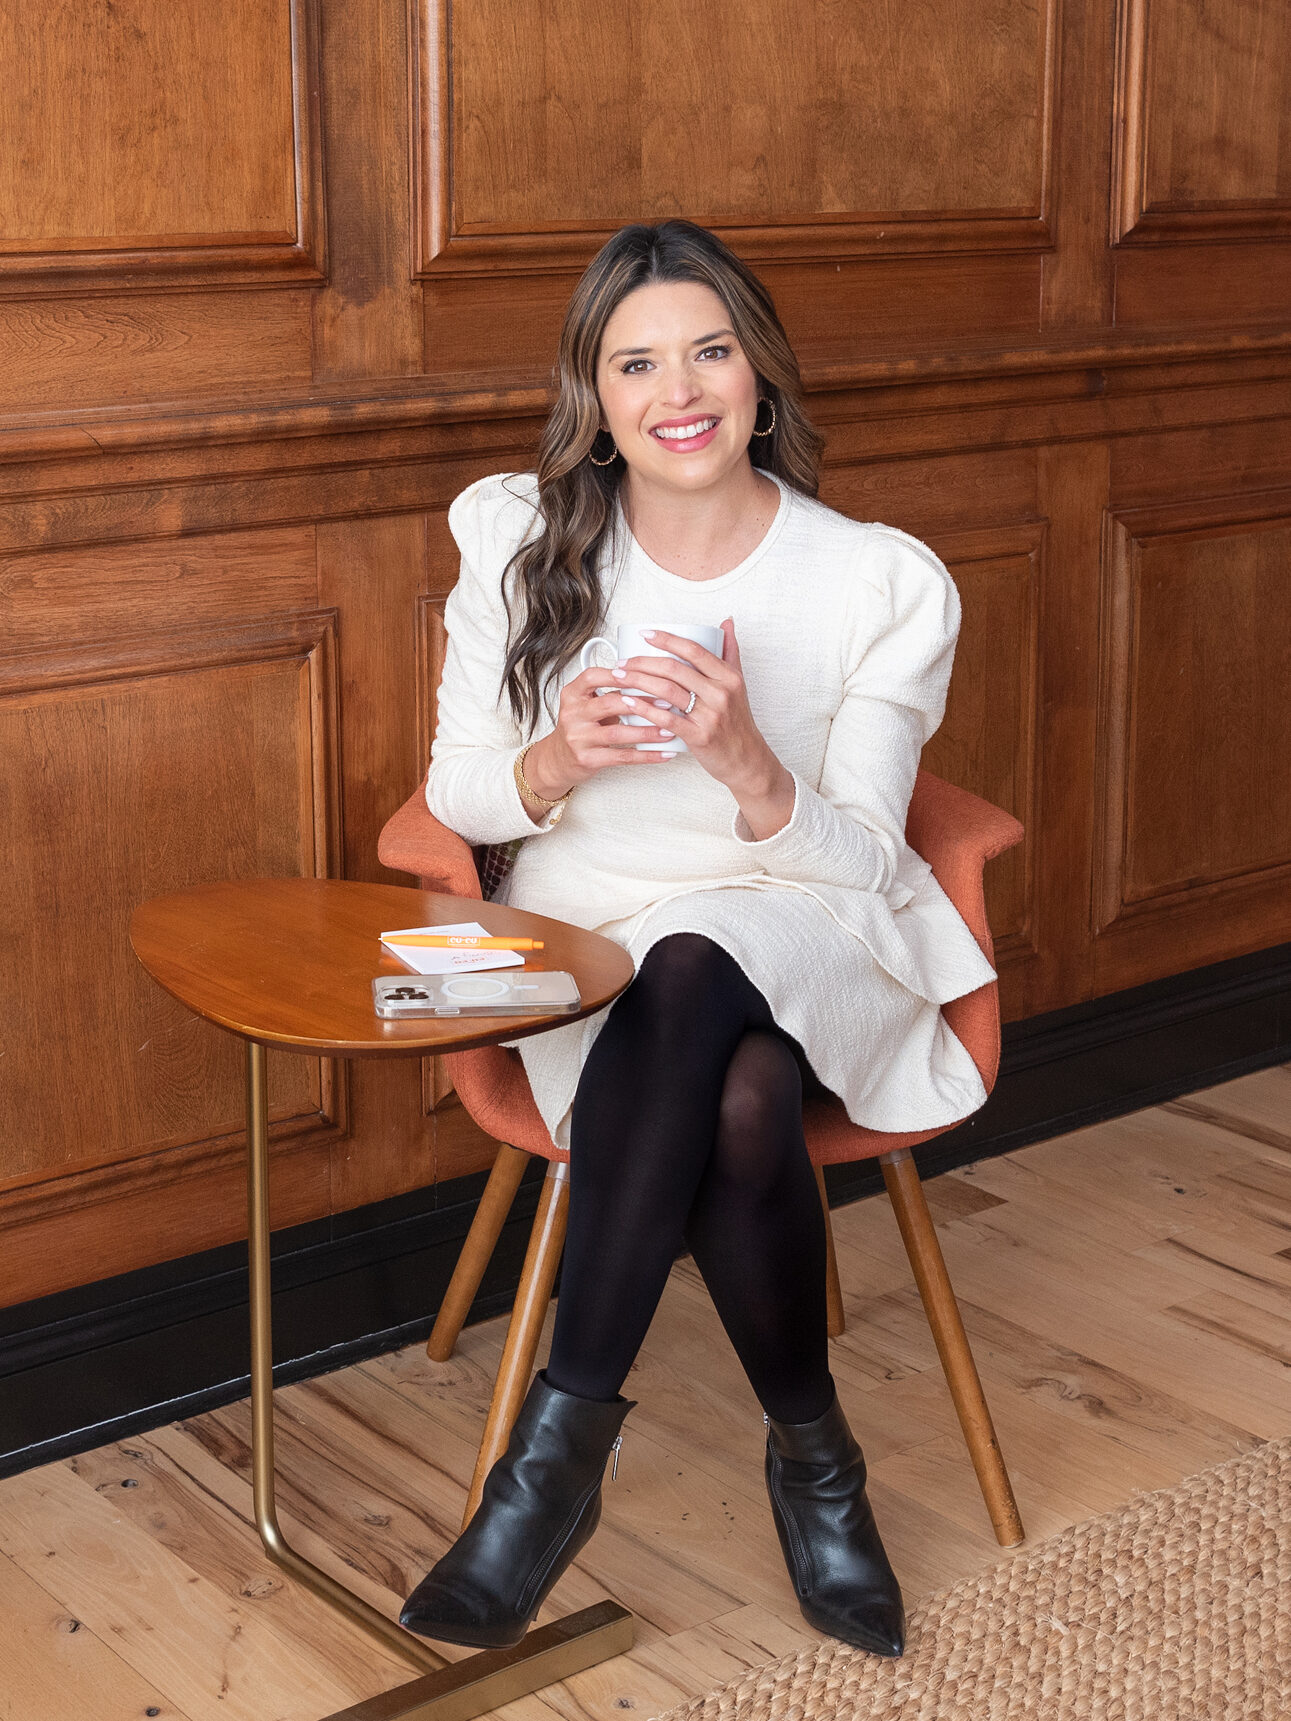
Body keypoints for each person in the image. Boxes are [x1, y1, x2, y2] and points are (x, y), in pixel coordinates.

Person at [399, 220, 997, 1658]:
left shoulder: (880, 580)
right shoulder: (519, 534)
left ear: (761, 376)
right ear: (595, 396)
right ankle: (818, 1460)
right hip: (593, 941)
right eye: (639, 359)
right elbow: (461, 792)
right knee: (729, 1093)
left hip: (812, 930)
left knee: (702, 959)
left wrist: (753, 772)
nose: (682, 388)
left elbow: (863, 850)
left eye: (712, 349)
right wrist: (558, 762)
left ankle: (543, 1479)